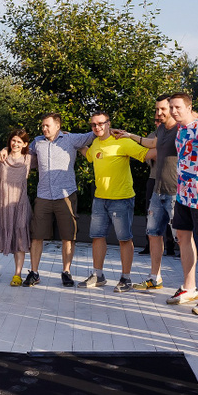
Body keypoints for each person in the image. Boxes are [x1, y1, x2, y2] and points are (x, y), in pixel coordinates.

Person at [153, 93, 198, 307]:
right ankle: (189, 288)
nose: (173, 111)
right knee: (182, 237)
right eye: (171, 107)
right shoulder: (181, 129)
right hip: (183, 192)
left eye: (178, 107)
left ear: (189, 107)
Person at [80, 110, 149, 289]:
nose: (97, 127)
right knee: (97, 237)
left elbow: (146, 154)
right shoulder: (95, 143)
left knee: (124, 239)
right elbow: (89, 155)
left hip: (121, 199)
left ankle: (126, 278)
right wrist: (71, 141)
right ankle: (98, 275)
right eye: (93, 124)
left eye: (100, 123)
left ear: (108, 123)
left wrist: (167, 144)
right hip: (100, 199)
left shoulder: (122, 141)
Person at [27, 113, 95, 288]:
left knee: (68, 236)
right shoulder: (37, 142)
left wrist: (112, 130)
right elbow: (20, 152)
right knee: (36, 236)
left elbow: (93, 134)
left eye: (47, 125)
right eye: (42, 125)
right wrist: (4, 151)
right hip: (43, 195)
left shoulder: (70, 139)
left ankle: (66, 272)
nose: (44, 128)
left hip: (66, 195)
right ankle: (34, 273)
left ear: (58, 126)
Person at [140, 98, 179, 292]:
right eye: (157, 109)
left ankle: (190, 286)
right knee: (153, 234)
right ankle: (154, 277)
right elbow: (151, 144)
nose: (159, 113)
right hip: (158, 190)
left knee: (182, 238)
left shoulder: (182, 129)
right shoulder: (161, 129)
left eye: (163, 109)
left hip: (176, 192)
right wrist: (129, 136)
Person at [0, 131, 33, 286]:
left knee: (20, 238)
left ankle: (17, 275)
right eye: (13, 140)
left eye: (19, 141)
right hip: (0, 203)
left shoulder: (29, 159)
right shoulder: (2, 157)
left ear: (25, 144)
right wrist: (2, 150)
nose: (15, 144)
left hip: (20, 204)